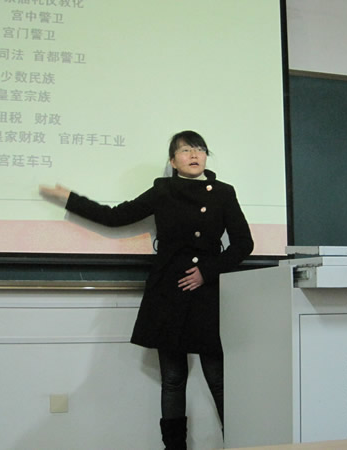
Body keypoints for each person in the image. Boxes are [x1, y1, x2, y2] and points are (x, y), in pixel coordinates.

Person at [39, 130, 254, 449]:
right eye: (185, 150)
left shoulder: (223, 192)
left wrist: (206, 272)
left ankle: (242, 443)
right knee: (173, 379)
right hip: (168, 292)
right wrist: (69, 198)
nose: (194, 154)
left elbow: (243, 244)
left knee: (218, 379)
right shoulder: (163, 190)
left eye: (199, 149)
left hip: (207, 294)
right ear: (173, 161)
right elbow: (115, 217)